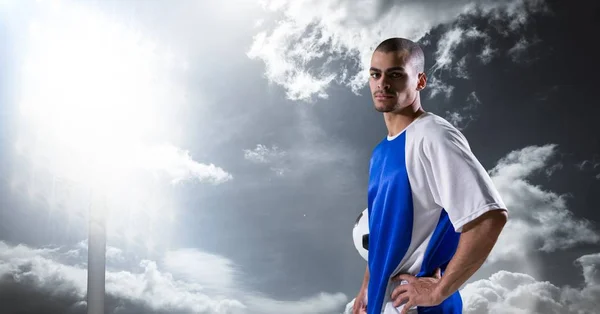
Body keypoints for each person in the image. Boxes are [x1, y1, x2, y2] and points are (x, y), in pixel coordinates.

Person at [352, 37, 508, 314]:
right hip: (383, 304)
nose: (382, 83)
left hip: (418, 308)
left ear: (420, 81)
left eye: (396, 74)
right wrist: (367, 287)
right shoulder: (380, 152)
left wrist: (438, 290)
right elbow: (382, 232)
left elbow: (488, 217)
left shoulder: (433, 135)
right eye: (375, 74)